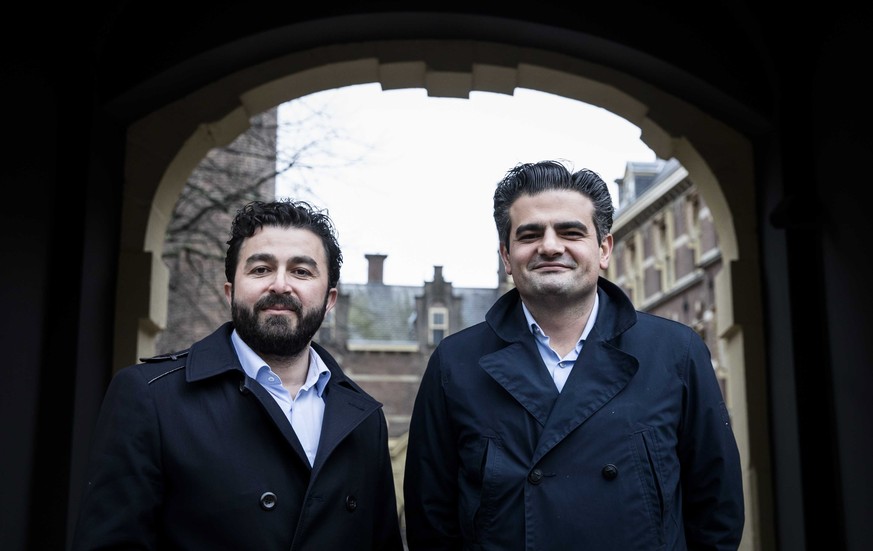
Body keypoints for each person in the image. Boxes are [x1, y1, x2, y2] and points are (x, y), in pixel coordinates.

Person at [403, 160, 744, 550]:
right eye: (530, 234)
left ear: (603, 249)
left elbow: (717, 508)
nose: (550, 246)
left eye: (570, 232)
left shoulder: (677, 353)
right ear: (506, 257)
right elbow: (431, 520)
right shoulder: (455, 364)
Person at [73, 199, 403, 550]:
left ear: (330, 299)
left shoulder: (365, 419)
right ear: (230, 291)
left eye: (301, 272)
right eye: (260, 269)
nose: (280, 285)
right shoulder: (149, 397)